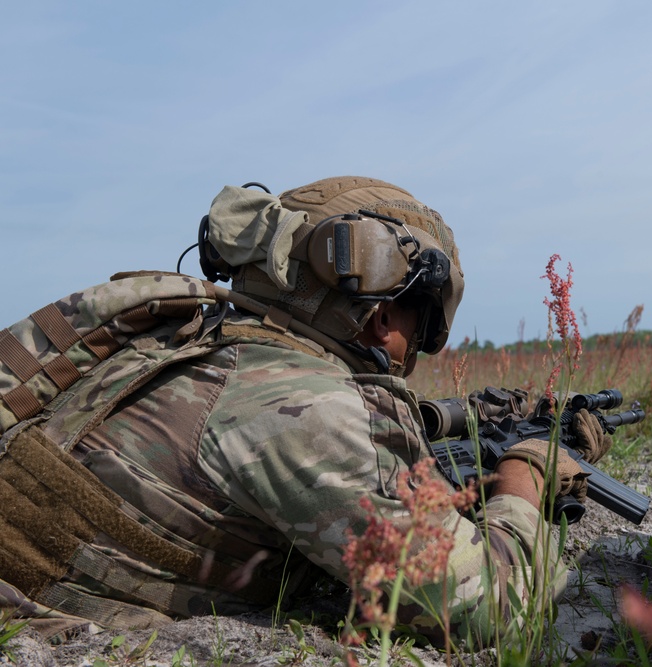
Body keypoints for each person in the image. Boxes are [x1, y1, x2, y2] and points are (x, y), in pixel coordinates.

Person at [0, 176, 612, 646]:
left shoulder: (184, 339)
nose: (415, 354)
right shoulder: (309, 408)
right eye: (421, 328)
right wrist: (523, 483)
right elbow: (490, 610)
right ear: (382, 316)